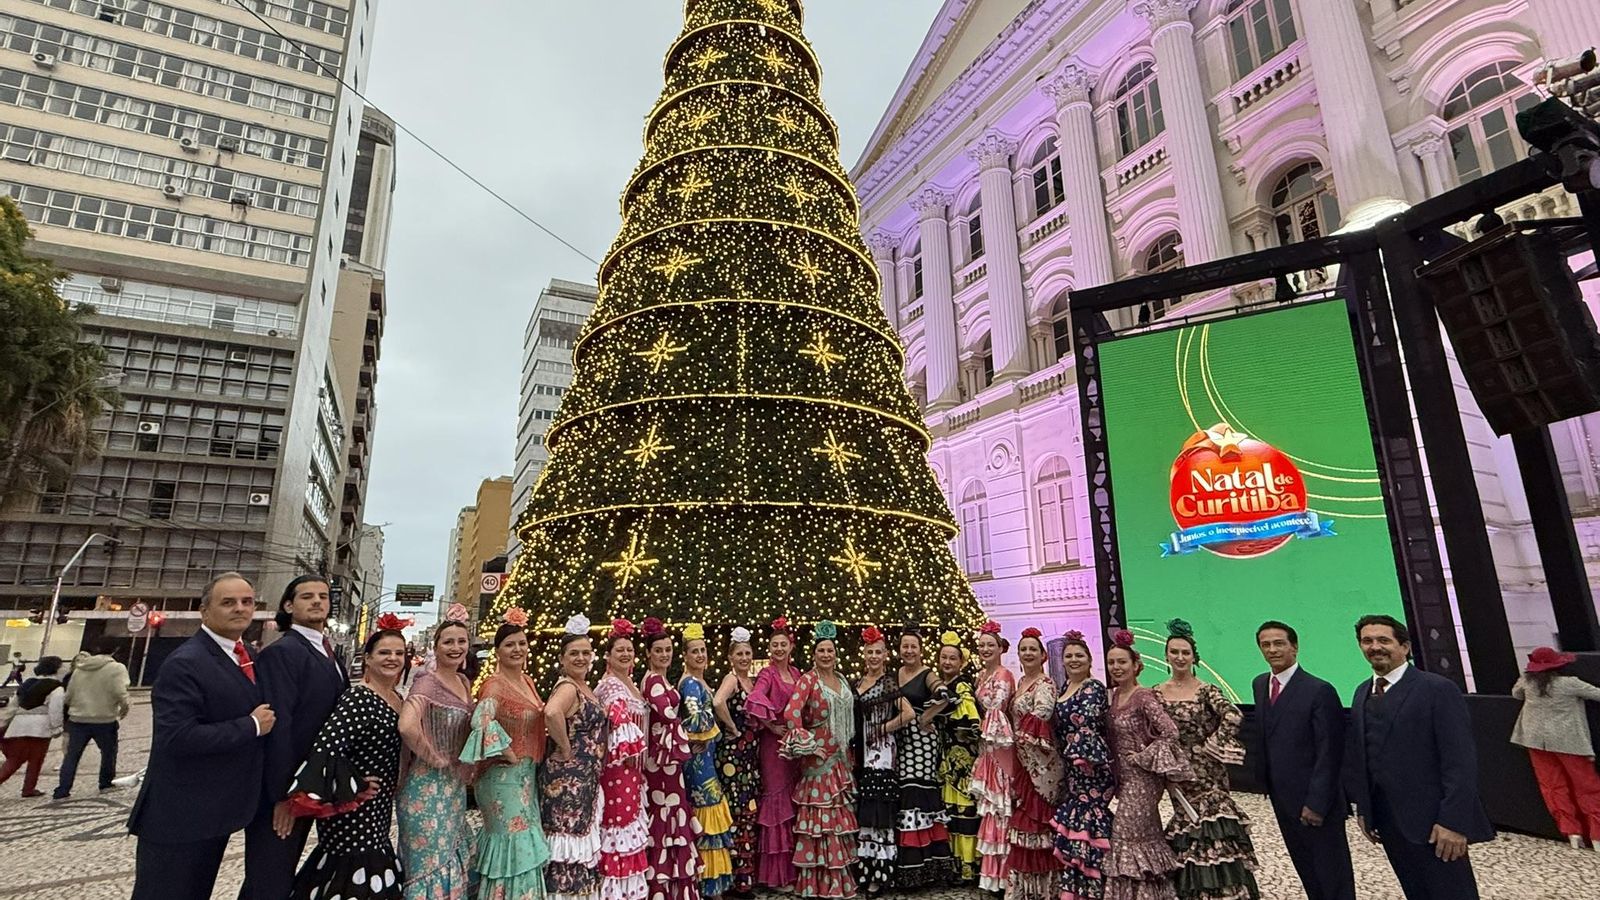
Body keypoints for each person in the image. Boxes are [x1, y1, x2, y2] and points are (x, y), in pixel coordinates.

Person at [128, 572, 275, 900]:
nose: (240, 608)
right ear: (204, 611)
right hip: (180, 815)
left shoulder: (247, 654)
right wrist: (250, 726)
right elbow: (177, 737)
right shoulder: (186, 662)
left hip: (216, 810)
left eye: (247, 602)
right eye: (228, 602)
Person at [1347, 614, 1494, 900]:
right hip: (1389, 822)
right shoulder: (1361, 691)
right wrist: (1365, 809)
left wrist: (1453, 822)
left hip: (1435, 825)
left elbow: (1460, 761)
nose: (1375, 646)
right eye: (1367, 641)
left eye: (1383, 640)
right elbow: (1364, 755)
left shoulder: (1436, 689)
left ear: (1404, 647)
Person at [285, 615, 410, 900]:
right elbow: (326, 749)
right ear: (367, 658)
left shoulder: (397, 698)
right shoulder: (359, 698)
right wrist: (355, 785)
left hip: (378, 809)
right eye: (384, 652)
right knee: (351, 870)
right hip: (352, 808)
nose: (392, 658)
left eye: (399, 653)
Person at [242, 574, 349, 900]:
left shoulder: (329, 653)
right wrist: (283, 796)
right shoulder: (283, 652)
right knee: (268, 880)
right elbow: (280, 728)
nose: (317, 601)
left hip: (315, 784)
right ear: (289, 605)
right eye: (307, 597)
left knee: (283, 877)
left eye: (323, 596)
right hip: (287, 790)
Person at [1155, 620, 1259, 900]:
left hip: (1208, 774)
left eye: (1185, 652)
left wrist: (1214, 743)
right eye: (1174, 652)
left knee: (1214, 830)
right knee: (1188, 831)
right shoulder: (1156, 692)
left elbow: (1233, 715)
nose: (1179, 657)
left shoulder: (1206, 690)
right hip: (1178, 776)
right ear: (1166, 655)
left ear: (1193, 657)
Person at [1250, 621, 1354, 900]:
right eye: (1266, 644)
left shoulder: (1319, 690)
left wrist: (1317, 803)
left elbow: (1330, 752)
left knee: (1333, 874)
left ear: (1294, 647)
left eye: (1279, 643)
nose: (1272, 649)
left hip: (1315, 802)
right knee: (1306, 868)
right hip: (1281, 798)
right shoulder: (1260, 684)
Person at [462, 612, 550, 900]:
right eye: (510, 644)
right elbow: (481, 721)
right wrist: (507, 751)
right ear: (497, 651)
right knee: (512, 841)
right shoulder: (494, 685)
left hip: (525, 778)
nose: (518, 650)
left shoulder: (526, 680)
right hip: (501, 779)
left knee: (524, 841)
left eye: (522, 643)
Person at [1104, 629, 1192, 900]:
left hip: (1144, 779)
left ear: (1135, 665)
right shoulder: (1115, 695)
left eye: (1122, 662)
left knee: (1124, 835)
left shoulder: (1143, 696)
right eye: (1112, 662)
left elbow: (1170, 731)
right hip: (1125, 779)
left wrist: (1143, 757)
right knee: (1147, 835)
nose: (1116, 667)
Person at [397, 612, 478, 899]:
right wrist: (433, 757)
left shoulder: (464, 682)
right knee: (428, 865)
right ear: (435, 646)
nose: (456, 647)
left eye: (461, 641)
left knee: (450, 856)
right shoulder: (426, 683)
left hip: (453, 788)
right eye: (448, 642)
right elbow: (406, 726)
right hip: (425, 789)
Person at [780, 620, 858, 899]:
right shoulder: (808, 680)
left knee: (837, 820)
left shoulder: (842, 680)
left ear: (836, 654)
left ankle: (838, 881)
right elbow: (791, 714)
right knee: (821, 821)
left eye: (830, 651)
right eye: (821, 651)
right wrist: (808, 745)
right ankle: (817, 883)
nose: (826, 655)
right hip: (819, 762)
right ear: (813, 655)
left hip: (841, 760)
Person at [542, 615, 608, 900]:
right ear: (563, 658)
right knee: (565, 844)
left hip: (584, 779)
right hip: (568, 780)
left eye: (585, 653)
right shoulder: (568, 687)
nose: (581, 658)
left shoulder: (585, 688)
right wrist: (566, 748)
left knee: (577, 840)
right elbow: (551, 712)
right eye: (574, 653)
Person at [1512, 646, 1600, 850]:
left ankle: (1572, 832)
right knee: (1586, 786)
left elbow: (1516, 694)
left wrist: (1525, 677)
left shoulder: (1528, 683)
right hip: (1569, 741)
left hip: (1535, 741)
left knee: (1552, 786)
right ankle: (1596, 834)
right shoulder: (1569, 684)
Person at [640, 618, 700, 900]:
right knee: (666, 814)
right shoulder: (653, 681)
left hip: (668, 759)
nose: (665, 655)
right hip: (661, 761)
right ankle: (664, 886)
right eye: (659, 650)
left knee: (672, 813)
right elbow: (668, 715)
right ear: (649, 653)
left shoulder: (661, 679)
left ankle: (671, 883)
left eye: (668, 650)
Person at [1053, 630, 1112, 900]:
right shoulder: (1064, 688)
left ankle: (1097, 889)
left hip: (1091, 767)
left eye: (1079, 655)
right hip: (1072, 769)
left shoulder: (1093, 687)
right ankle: (1077, 889)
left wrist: (1081, 758)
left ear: (1089, 660)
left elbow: (1088, 724)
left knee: (1089, 824)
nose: (1074, 660)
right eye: (1069, 656)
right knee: (1077, 827)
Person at [892, 627, 953, 888]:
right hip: (901, 739)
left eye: (913, 646)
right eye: (905, 646)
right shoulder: (896, 674)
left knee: (919, 796)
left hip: (922, 742)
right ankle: (911, 866)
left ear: (920, 649)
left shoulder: (927, 674)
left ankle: (929, 865)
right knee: (906, 793)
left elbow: (944, 694)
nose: (908, 651)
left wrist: (927, 716)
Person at [854, 625, 912, 896]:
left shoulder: (888, 682)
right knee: (866, 812)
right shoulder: (857, 683)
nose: (874, 657)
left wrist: (884, 728)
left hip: (882, 754)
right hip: (862, 755)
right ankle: (866, 870)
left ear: (886, 655)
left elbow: (908, 713)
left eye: (878, 652)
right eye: (870, 652)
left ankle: (881, 873)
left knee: (880, 814)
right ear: (863, 654)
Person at [1006, 626, 1063, 900]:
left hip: (1041, 764)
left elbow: (1043, 711)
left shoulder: (1045, 684)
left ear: (1043, 656)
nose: (1028, 653)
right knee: (1023, 819)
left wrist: (1021, 734)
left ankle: (1046, 889)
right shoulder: (1020, 683)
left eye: (1033, 649)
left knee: (1038, 821)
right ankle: (1026, 890)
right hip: (1022, 759)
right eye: (1023, 649)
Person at [596, 618, 650, 900]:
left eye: (629, 650)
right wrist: (629, 749)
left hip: (633, 769)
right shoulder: (610, 686)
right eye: (620, 650)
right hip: (618, 768)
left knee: (629, 820)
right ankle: (614, 891)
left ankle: (631, 889)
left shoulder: (630, 682)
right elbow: (618, 720)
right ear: (608, 656)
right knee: (618, 825)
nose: (626, 654)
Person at [681, 623, 735, 898]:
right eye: (695, 651)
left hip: (707, 756)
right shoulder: (690, 683)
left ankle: (711, 881)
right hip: (699, 760)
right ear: (686, 656)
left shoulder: (700, 681)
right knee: (707, 810)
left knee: (710, 809)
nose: (700, 655)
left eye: (703, 650)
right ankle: (707, 883)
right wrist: (708, 733)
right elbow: (695, 717)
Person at [747, 616, 801, 890]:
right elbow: (756, 698)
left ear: (790, 646)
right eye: (774, 645)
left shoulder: (797, 674)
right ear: (769, 648)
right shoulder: (767, 674)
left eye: (783, 644)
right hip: (774, 746)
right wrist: (771, 725)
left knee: (792, 803)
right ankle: (777, 876)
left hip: (794, 747)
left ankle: (795, 869)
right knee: (776, 803)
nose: (779, 649)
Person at [928, 632, 981, 884]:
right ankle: (956, 865)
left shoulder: (961, 686)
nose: (948, 662)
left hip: (962, 760)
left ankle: (968, 866)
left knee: (964, 813)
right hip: (947, 759)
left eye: (952, 658)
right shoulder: (939, 685)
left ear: (961, 662)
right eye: (944, 658)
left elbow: (970, 720)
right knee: (951, 814)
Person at [712, 627, 762, 899]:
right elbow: (718, 701)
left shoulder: (750, 682)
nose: (744, 657)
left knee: (747, 815)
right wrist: (731, 728)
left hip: (748, 759)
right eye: (739, 654)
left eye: (747, 653)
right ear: (731, 657)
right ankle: (733, 880)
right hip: (733, 759)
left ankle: (744, 878)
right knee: (736, 814)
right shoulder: (731, 680)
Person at [52, 642, 131, 799]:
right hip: (104, 719)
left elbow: (69, 694)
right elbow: (120, 691)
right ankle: (105, 783)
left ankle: (63, 789)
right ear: (115, 650)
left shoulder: (80, 668)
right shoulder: (117, 668)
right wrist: (124, 708)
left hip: (78, 719)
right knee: (108, 753)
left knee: (72, 755)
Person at [970, 621, 1015, 895]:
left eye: (991, 645)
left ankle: (1006, 875)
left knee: (1001, 809)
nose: (985, 649)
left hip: (1000, 747)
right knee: (991, 809)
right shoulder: (981, 676)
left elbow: (996, 709)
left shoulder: (1004, 675)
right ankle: (994, 877)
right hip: (987, 749)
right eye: (982, 645)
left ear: (1001, 648)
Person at [0, 655, 65, 798]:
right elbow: (55, 709)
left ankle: (28, 788)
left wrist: (3, 723)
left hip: (18, 724)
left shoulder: (27, 683)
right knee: (36, 759)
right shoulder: (56, 687)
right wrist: (57, 728)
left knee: (14, 759)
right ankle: (28, 788)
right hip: (40, 727)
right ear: (56, 668)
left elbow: (13, 706)